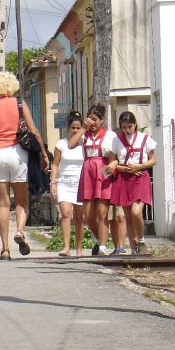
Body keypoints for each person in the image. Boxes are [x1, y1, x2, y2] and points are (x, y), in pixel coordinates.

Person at [0, 71, 48, 260]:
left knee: (3, 203)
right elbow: (35, 132)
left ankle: (5, 249)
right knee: (22, 200)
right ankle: (20, 231)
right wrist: (44, 154)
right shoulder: (20, 104)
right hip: (17, 154)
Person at [68, 102, 118, 256]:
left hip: (103, 171)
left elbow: (114, 156)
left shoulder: (110, 135)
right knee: (88, 215)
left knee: (102, 212)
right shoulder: (85, 134)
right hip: (88, 171)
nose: (92, 123)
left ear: (102, 120)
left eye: (95, 119)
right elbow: (71, 144)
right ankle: (98, 240)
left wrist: (113, 165)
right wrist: (83, 127)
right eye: (90, 119)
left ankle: (103, 246)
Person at [108, 111, 157, 255]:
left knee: (136, 212)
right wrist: (126, 169)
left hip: (140, 177)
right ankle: (134, 248)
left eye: (130, 126)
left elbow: (153, 160)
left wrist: (140, 166)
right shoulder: (116, 141)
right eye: (124, 127)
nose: (128, 130)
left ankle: (141, 241)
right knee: (128, 217)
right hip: (124, 179)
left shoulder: (145, 139)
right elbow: (112, 163)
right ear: (120, 126)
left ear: (135, 125)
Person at [50, 111, 85, 257]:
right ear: (68, 128)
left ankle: (79, 248)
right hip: (64, 182)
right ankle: (66, 247)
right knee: (65, 214)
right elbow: (55, 164)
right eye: (73, 128)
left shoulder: (85, 144)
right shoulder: (61, 144)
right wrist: (53, 182)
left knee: (78, 217)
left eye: (78, 128)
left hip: (80, 183)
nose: (75, 130)